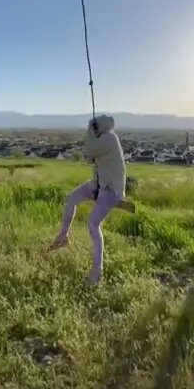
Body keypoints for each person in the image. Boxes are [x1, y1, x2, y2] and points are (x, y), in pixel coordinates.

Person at [48, 114, 134, 285]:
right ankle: (63, 236)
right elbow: (89, 158)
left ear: (100, 126)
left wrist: (90, 132)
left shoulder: (109, 138)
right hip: (98, 184)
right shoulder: (102, 139)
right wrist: (93, 135)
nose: (93, 127)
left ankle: (97, 271)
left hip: (110, 189)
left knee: (93, 226)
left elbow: (89, 150)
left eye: (94, 125)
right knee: (70, 199)